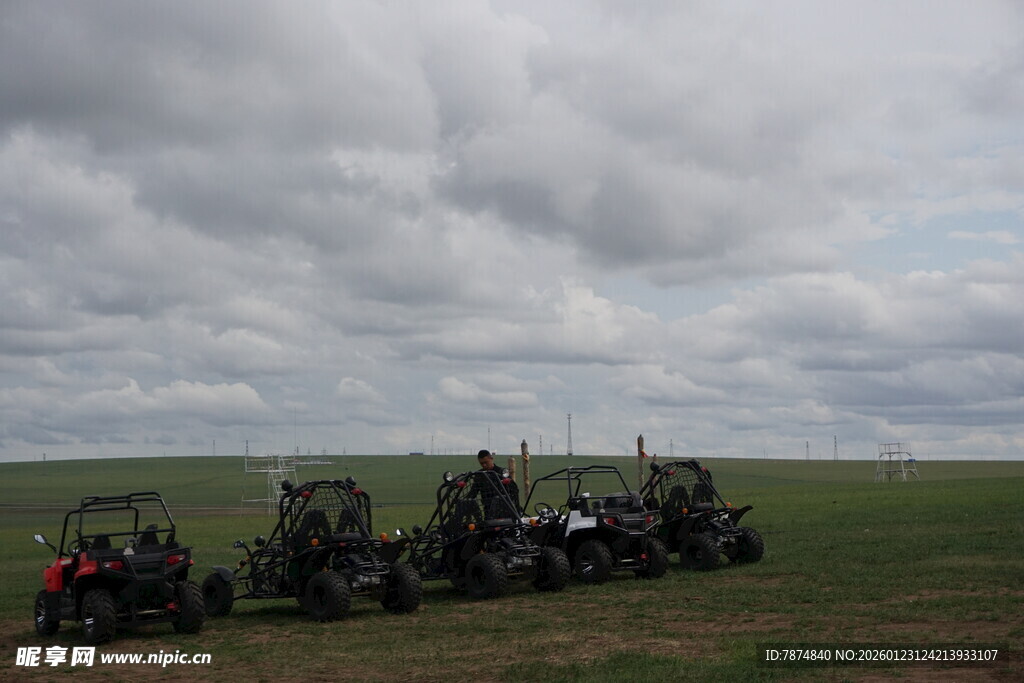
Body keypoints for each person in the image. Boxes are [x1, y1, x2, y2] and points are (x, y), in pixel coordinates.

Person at [474, 450, 521, 517]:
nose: (484, 465)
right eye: (481, 463)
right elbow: (473, 493)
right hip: (489, 511)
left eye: (486, 462)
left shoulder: (501, 472)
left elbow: (514, 489)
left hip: (505, 509)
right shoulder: (479, 475)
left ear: (491, 459)